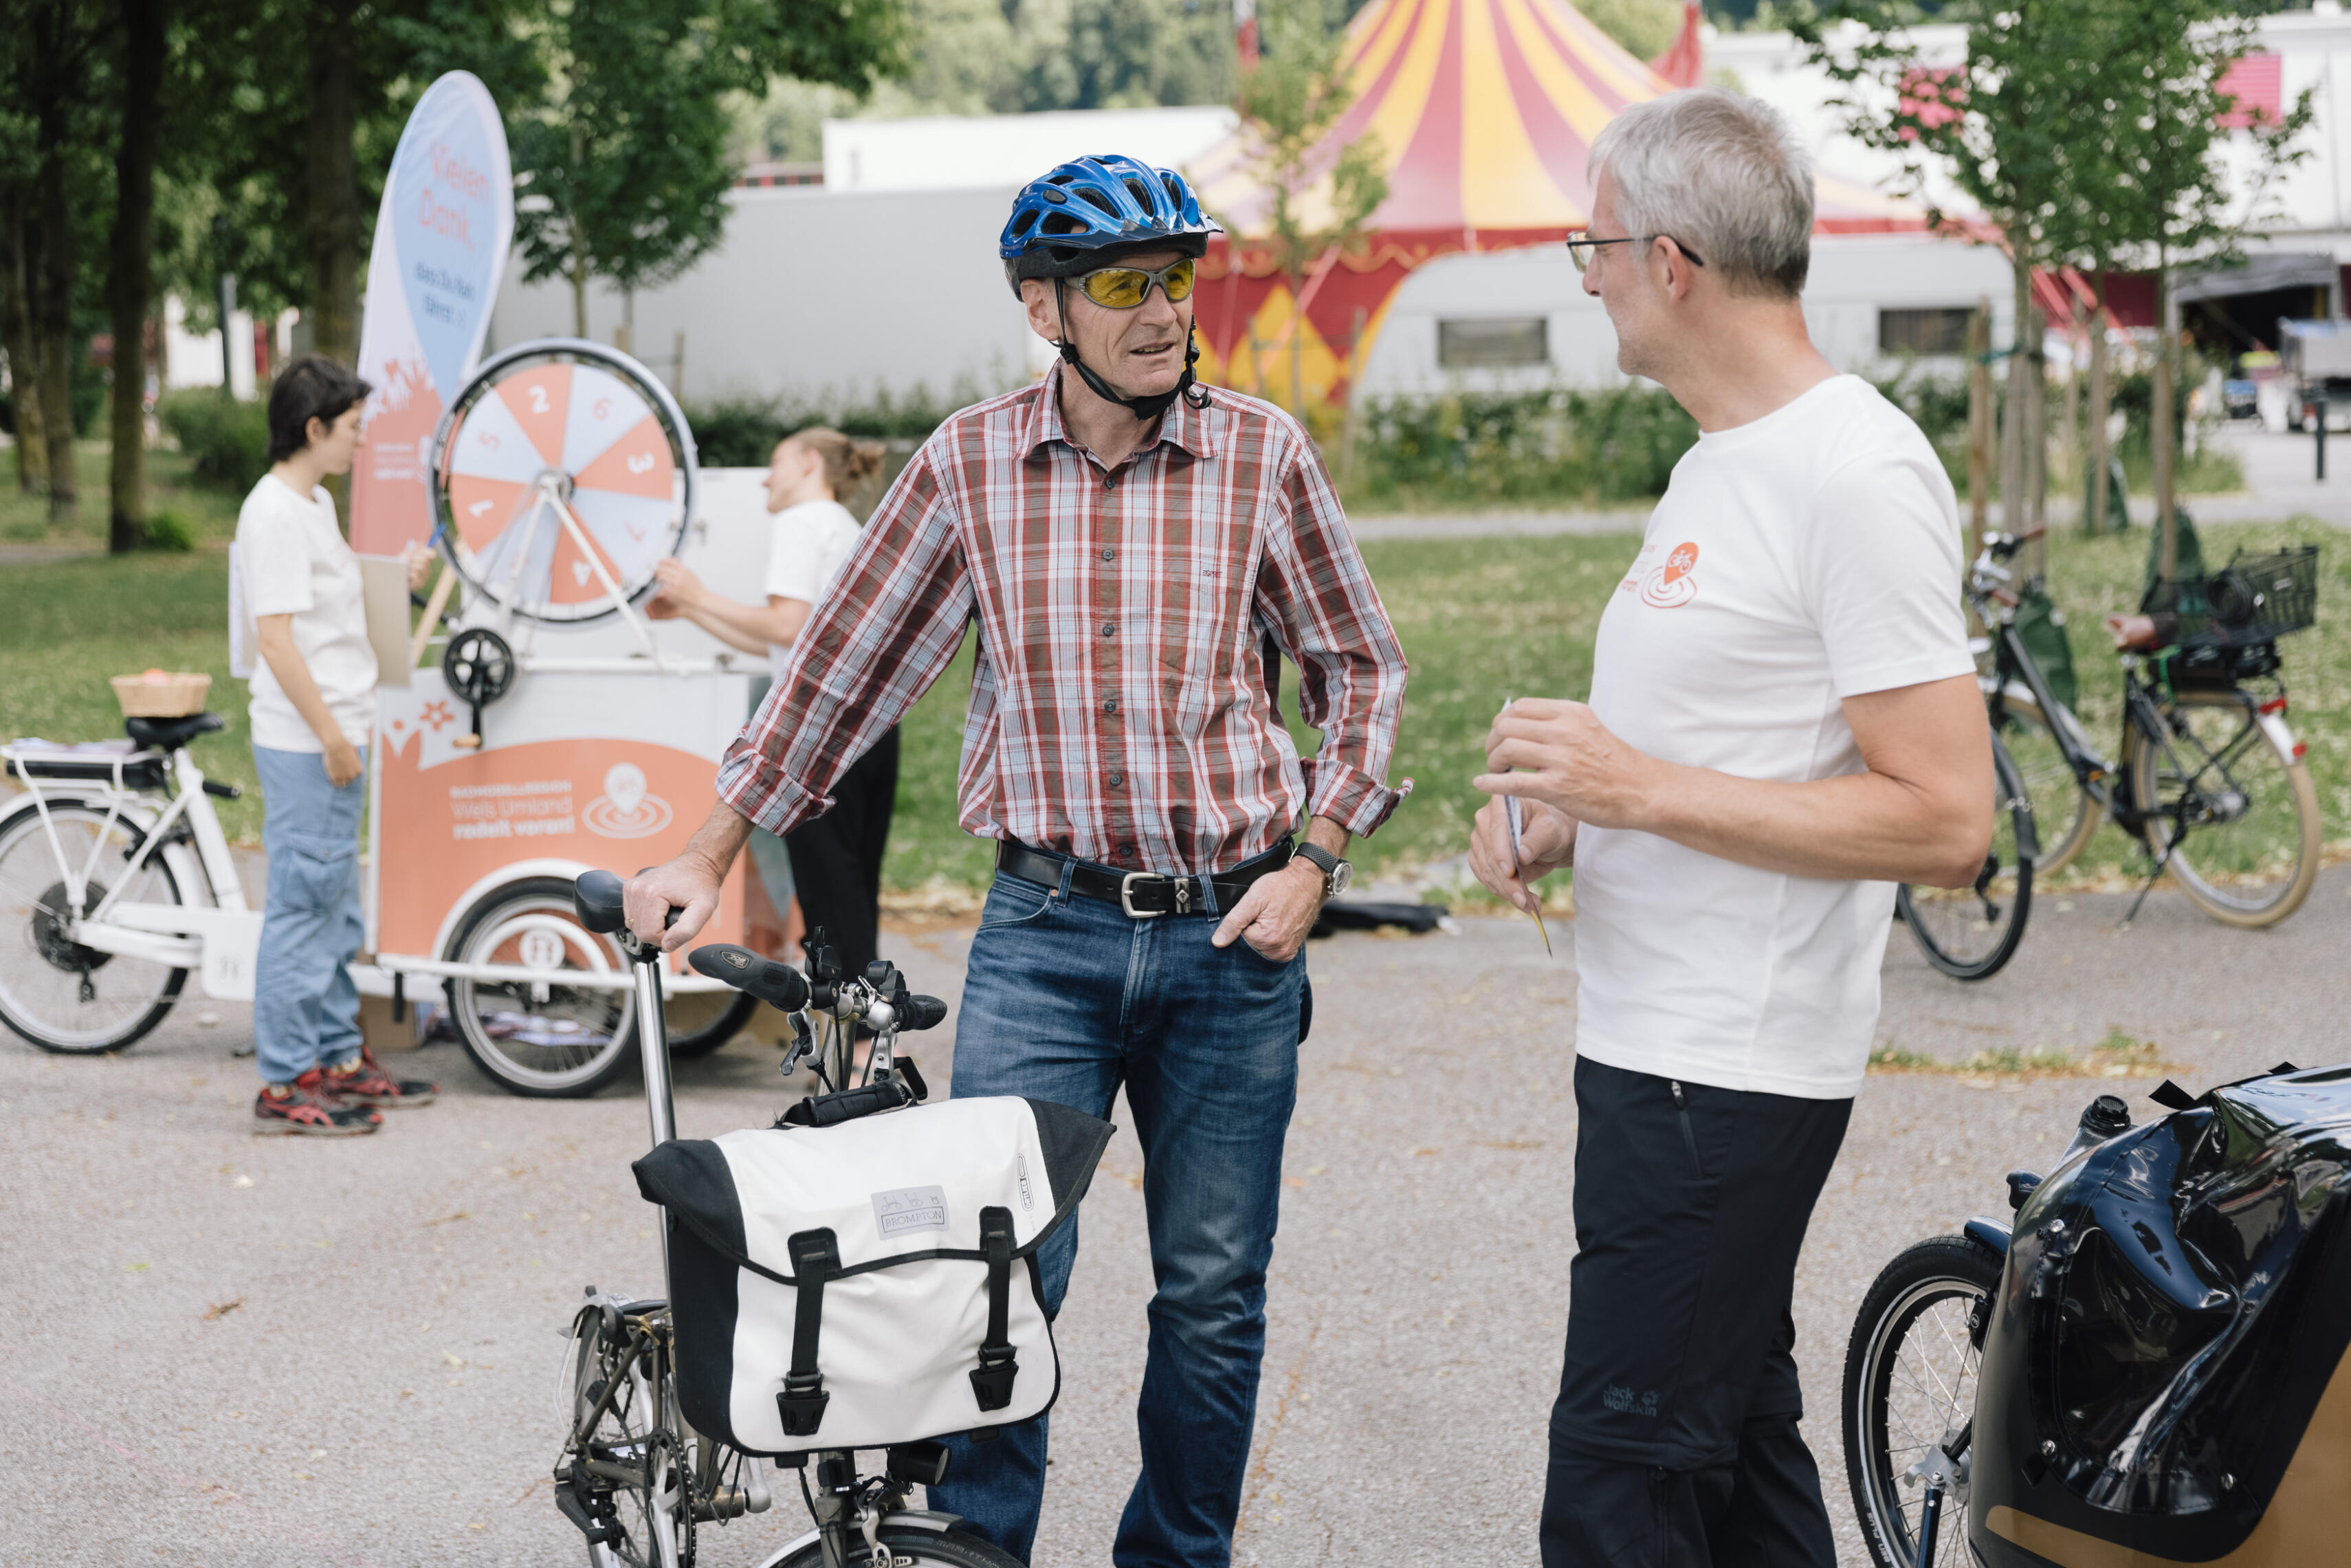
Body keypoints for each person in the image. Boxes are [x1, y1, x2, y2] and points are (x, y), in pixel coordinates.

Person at [622, 153, 1410, 1567]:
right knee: (989, 1276)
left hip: (1236, 936)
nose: (1164, 309)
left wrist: (1317, 857)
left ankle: (1177, 1556)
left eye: (1178, 276)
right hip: (1045, 933)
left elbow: (1363, 669)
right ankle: (976, 1552)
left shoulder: (1264, 457)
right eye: (1125, 284)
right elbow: (838, 671)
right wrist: (707, 844)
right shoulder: (969, 464)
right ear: (1043, 307)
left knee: (1213, 1297)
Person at [1466, 91, 1992, 1567]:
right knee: (1737, 1449)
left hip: (1727, 1075)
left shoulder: (1856, 471)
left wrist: (1636, 788)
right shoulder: (1717, 465)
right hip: (1660, 1057)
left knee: (1619, 1482)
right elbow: (1719, 756)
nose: (1585, 274)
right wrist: (1572, 816)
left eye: (1596, 244)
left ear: (1673, 259)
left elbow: (1948, 819)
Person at [239, 355, 439, 1135]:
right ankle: (286, 1081)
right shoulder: (276, 514)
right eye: (353, 429)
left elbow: (334, 601)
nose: (361, 443)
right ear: (315, 428)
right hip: (310, 743)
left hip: (333, 735)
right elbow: (278, 642)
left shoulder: (312, 503)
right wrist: (330, 737)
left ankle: (335, 1058)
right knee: (301, 908)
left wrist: (400, 576)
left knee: (331, 908)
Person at [645, 428, 896, 977]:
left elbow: (787, 624)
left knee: (827, 886)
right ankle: (868, 1034)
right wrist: (694, 611)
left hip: (820, 732)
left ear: (809, 463)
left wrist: (698, 595)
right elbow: (782, 643)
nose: (765, 477)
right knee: (853, 882)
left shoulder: (801, 522)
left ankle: (852, 1049)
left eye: (774, 464)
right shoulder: (844, 526)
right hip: (871, 727)